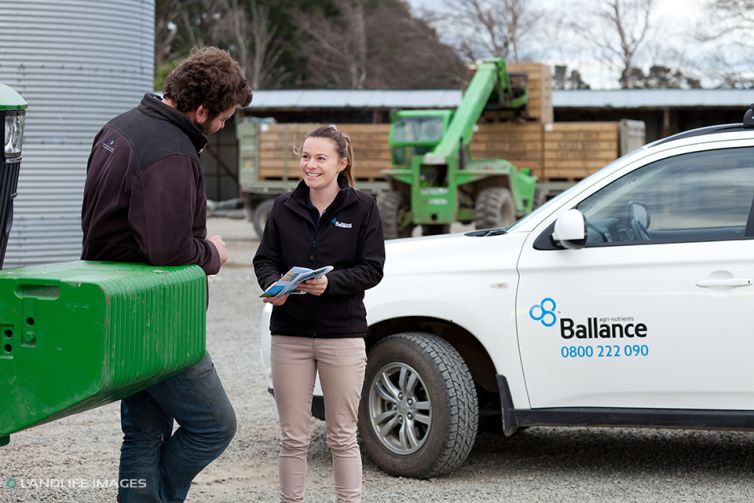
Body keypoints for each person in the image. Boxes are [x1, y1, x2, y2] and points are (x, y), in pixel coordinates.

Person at [80, 46, 252, 503]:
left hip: (124, 307)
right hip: (158, 318)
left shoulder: (119, 127)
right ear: (200, 110)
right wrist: (212, 252)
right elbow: (169, 250)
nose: (222, 127)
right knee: (215, 425)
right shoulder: (171, 154)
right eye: (223, 118)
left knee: (143, 435)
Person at [253, 125, 385, 502]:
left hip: (341, 336)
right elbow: (265, 259)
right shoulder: (283, 207)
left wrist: (332, 284)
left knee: (341, 435)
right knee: (292, 437)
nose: (310, 165)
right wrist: (273, 286)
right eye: (305, 156)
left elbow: (372, 268)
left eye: (320, 158)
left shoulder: (364, 207)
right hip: (289, 336)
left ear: (341, 164)